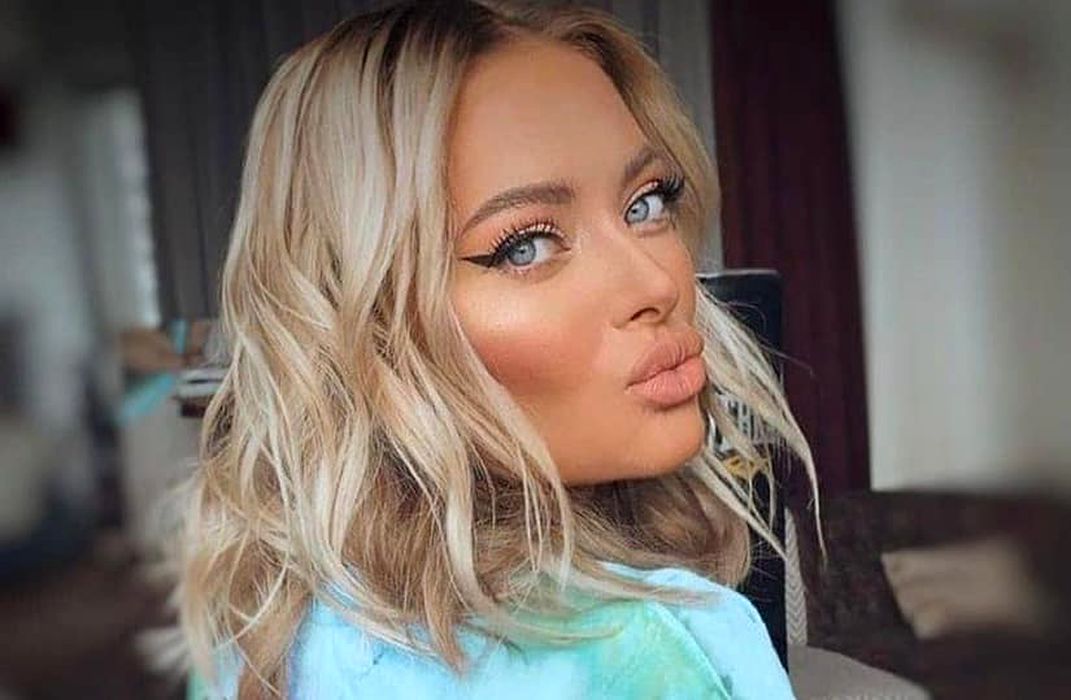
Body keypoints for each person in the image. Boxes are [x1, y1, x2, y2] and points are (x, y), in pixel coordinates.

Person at [175, 1, 818, 697]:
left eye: (646, 204)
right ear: (368, 329)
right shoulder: (657, 653)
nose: (658, 283)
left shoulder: (252, 634)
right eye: (526, 246)